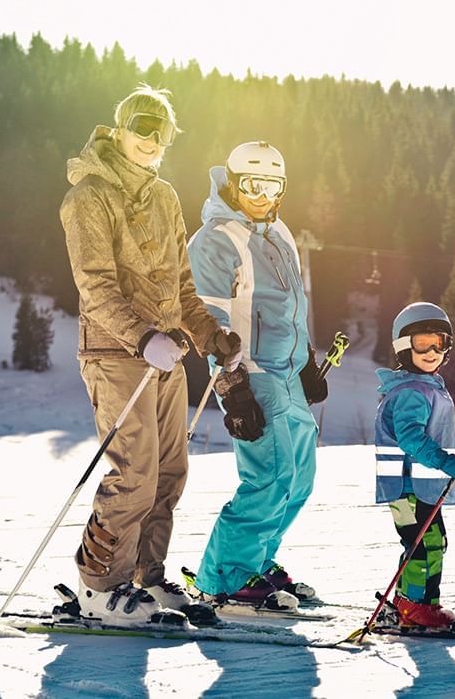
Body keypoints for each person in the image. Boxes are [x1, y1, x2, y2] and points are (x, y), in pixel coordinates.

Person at [60, 85, 239, 625]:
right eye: (141, 127)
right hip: (117, 354)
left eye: (160, 131)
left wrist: (209, 335)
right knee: (133, 471)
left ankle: (145, 578)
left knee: (168, 471)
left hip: (167, 353)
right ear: (119, 130)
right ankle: (100, 587)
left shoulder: (162, 196)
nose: (151, 139)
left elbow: (182, 286)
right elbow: (95, 286)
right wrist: (142, 338)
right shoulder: (88, 196)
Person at [186, 141, 328, 611]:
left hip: (288, 373)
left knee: (300, 478)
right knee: (269, 476)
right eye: (252, 185)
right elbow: (210, 325)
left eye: (272, 186)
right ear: (232, 182)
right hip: (251, 375)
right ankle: (225, 576)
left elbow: (291, 308)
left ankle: (259, 559)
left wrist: (306, 361)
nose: (263, 195)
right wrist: (233, 390)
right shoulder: (215, 239)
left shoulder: (280, 232)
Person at [374, 302, 455, 629]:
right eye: (423, 343)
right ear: (403, 346)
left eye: (440, 342)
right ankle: (414, 608)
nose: (432, 351)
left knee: (429, 541)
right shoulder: (411, 391)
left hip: (418, 487)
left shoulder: (426, 386)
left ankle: (416, 604)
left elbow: (431, 433)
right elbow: (411, 440)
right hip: (406, 487)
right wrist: (447, 462)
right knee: (424, 544)